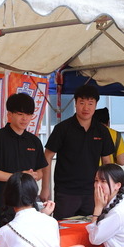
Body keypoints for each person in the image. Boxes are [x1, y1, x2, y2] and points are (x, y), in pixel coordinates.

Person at [40, 85, 115, 220]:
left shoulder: (102, 131)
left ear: (96, 105)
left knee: (92, 228)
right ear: (75, 104)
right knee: (63, 230)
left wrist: (108, 189)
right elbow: (47, 156)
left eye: (90, 103)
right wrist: (45, 188)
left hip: (92, 192)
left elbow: (107, 162)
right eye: (82, 103)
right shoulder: (62, 128)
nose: (86, 108)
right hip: (66, 192)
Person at [0, 93, 48, 227]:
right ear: (9, 114)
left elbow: (41, 171)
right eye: (20, 114)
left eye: (28, 115)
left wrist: (34, 176)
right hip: (5, 205)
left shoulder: (34, 141)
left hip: (30, 206)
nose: (25, 119)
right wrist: (17, 177)